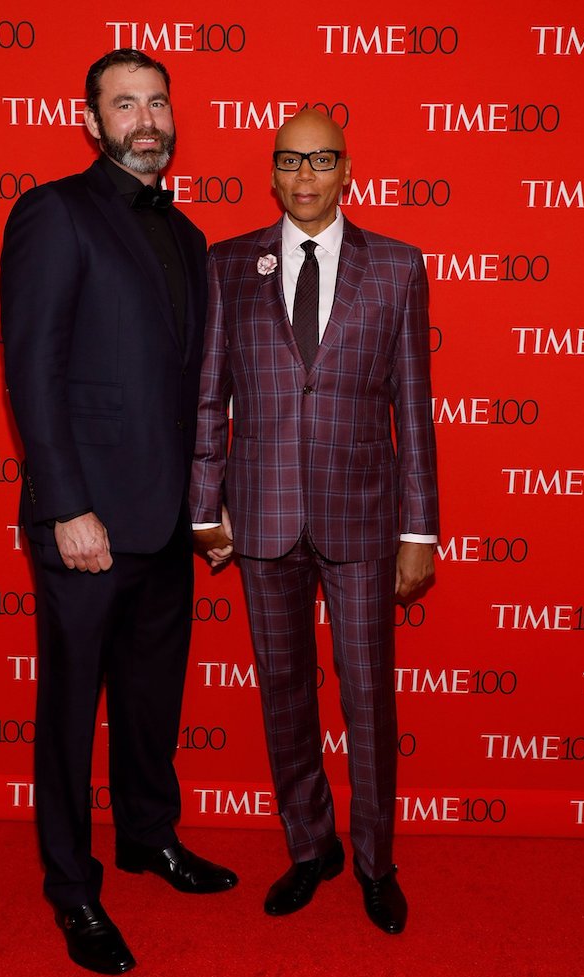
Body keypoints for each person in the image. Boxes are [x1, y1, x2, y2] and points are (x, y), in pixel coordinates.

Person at [0, 48, 237, 976]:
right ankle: (72, 886)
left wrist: (202, 502)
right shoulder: (55, 212)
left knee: (150, 699)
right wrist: (67, 506)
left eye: (159, 102)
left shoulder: (184, 234)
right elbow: (33, 367)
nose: (147, 118)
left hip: (168, 517)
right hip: (87, 521)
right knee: (70, 709)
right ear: (92, 123)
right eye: (125, 104)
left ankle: (149, 837)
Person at [190, 109, 438, 935]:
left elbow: (415, 408)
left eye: (321, 159)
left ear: (346, 169)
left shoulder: (398, 268)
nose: (304, 176)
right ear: (271, 170)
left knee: (368, 697)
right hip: (260, 516)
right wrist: (203, 507)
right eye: (290, 160)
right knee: (286, 693)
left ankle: (374, 861)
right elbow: (208, 400)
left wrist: (419, 530)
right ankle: (311, 849)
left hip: (365, 519)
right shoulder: (229, 263)